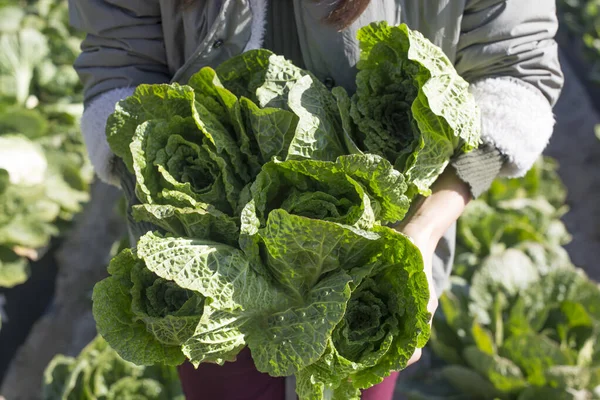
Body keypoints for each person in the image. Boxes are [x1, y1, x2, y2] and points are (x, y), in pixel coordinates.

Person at [68, 1, 563, 399]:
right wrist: (169, 204)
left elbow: (515, 74)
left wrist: (422, 231)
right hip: (204, 275)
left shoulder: (397, 254)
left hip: (375, 266)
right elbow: (119, 63)